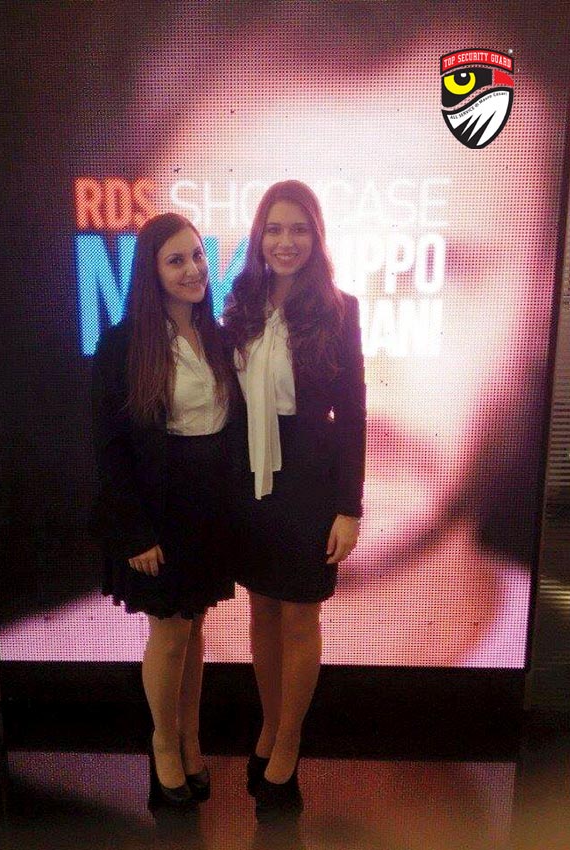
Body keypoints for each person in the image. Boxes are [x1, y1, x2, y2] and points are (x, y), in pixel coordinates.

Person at [222, 180, 367, 813]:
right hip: (250, 479)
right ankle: (268, 722)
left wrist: (350, 507)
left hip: (310, 479)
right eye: (275, 229)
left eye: (299, 229)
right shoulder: (239, 304)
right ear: (259, 237)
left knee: (300, 614)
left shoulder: (340, 309)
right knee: (261, 609)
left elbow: (354, 414)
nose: (286, 241)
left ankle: (288, 741)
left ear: (317, 236)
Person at [90, 212, 235, 809]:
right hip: (158, 510)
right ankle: (163, 746)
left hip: (210, 509)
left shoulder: (217, 334)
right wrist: (133, 531)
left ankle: (190, 740)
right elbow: (109, 447)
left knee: (195, 630)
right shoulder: (122, 343)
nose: (193, 269)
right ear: (150, 271)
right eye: (176, 260)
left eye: (198, 256)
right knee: (170, 634)